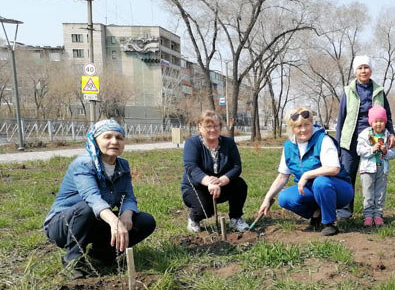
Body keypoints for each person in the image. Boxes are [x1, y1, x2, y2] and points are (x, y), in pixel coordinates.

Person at [44, 119, 156, 279]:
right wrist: (114, 221)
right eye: (107, 137)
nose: (114, 141)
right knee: (87, 208)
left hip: (96, 221)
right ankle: (73, 261)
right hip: (64, 225)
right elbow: (92, 198)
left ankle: (102, 254)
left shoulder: (122, 166)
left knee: (145, 221)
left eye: (119, 137)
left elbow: (128, 196)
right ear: (95, 140)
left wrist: (126, 213)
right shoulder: (83, 164)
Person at [258, 107, 353, 236]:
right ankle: (316, 214)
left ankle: (329, 223)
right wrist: (267, 198)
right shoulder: (289, 147)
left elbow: (333, 169)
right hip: (312, 190)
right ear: (292, 128)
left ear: (312, 123)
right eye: (298, 126)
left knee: (321, 182)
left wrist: (307, 174)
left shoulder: (323, 140)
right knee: (285, 198)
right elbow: (282, 177)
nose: (303, 130)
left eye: (307, 124)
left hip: (338, 189)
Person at [335, 55, 395, 219]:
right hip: (352, 138)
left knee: (375, 175)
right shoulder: (349, 91)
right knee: (347, 174)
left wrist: (392, 133)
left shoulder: (379, 91)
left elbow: (387, 114)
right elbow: (341, 118)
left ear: (371, 70)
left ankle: (374, 212)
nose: (363, 71)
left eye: (366, 67)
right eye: (360, 68)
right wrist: (339, 144)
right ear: (355, 71)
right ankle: (345, 212)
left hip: (374, 137)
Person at [182, 111, 250, 233]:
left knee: (240, 184)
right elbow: (191, 167)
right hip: (197, 187)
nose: (213, 129)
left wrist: (222, 180)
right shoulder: (192, 143)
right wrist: (209, 182)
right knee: (206, 210)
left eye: (216, 126)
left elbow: (236, 167)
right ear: (200, 127)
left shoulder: (229, 143)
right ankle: (194, 218)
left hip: (221, 185)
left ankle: (235, 218)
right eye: (208, 126)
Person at [356, 105, 395, 227]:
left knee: (380, 192)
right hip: (368, 169)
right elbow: (359, 150)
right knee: (368, 192)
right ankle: (368, 215)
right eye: (376, 121)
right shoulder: (365, 134)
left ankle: (378, 215)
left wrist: (385, 152)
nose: (378, 124)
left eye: (381, 121)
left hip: (381, 169)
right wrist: (372, 149)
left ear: (385, 122)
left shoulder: (388, 135)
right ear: (371, 122)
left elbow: (393, 153)